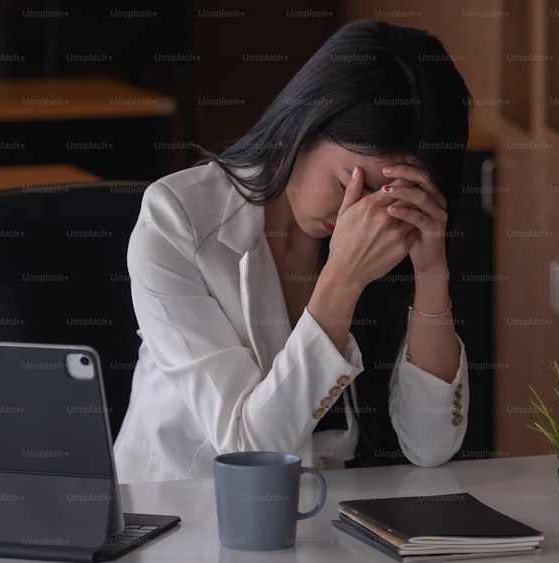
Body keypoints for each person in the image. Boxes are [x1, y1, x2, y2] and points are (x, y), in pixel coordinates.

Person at [113, 20, 472, 483]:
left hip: (325, 518)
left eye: (390, 198)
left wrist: (432, 276)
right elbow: (249, 453)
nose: (357, 218)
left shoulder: (389, 233)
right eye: (348, 183)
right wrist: (342, 281)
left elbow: (430, 447)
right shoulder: (177, 220)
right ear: (307, 122)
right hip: (180, 517)